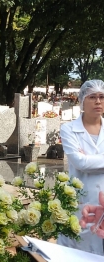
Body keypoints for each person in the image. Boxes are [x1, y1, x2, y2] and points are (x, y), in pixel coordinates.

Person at [57, 79, 104, 255]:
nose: (98, 101)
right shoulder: (69, 129)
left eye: (102, 96)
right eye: (92, 97)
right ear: (82, 100)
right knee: (73, 250)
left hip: (102, 205)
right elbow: (80, 163)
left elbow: (86, 161)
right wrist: (86, 161)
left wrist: (90, 160)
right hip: (79, 202)